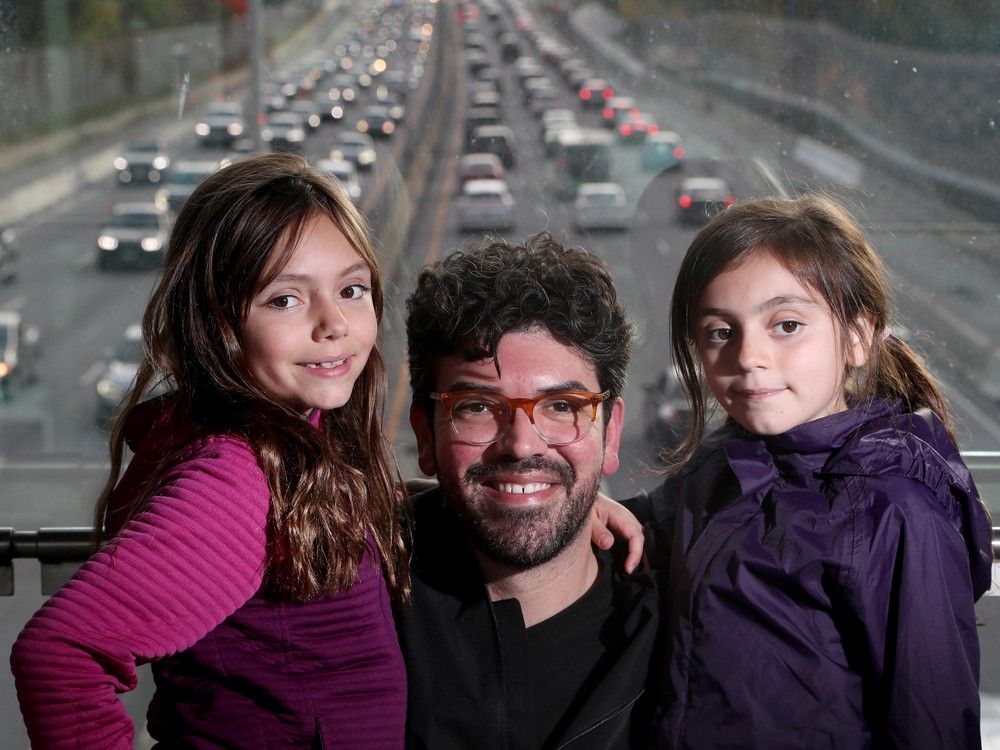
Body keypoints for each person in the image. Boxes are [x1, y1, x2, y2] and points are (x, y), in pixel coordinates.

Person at [10, 152, 409, 748]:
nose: (335, 324)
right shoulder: (234, 478)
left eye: (351, 289)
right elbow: (61, 656)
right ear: (216, 322)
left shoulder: (289, 432)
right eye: (285, 299)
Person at [635, 194, 993, 748]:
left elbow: (932, 724)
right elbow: (648, 529)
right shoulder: (721, 466)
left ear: (856, 336)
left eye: (786, 325)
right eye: (719, 332)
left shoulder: (895, 508)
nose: (748, 356)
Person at [398, 233, 662, 749]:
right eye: (476, 406)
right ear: (424, 435)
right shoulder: (353, 596)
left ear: (610, 435)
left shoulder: (681, 626)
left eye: (562, 407)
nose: (521, 445)